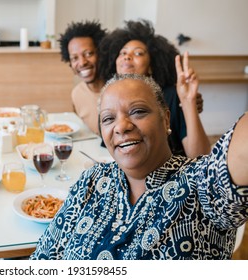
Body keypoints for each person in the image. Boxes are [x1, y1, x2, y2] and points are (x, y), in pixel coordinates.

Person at [30, 61, 248, 259]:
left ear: (166, 119)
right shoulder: (92, 181)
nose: (121, 126)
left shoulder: (201, 186)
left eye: (138, 112)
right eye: (108, 118)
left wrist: (188, 101)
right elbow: (45, 257)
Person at [98, 19, 209, 158]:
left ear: (151, 65)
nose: (127, 57)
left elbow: (201, 157)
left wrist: (189, 102)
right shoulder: (108, 99)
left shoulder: (171, 96)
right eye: (123, 53)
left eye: (138, 53)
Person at [58, 20, 107, 135]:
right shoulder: (77, 94)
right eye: (74, 58)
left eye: (88, 54)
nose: (82, 62)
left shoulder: (119, 90)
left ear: (101, 54)